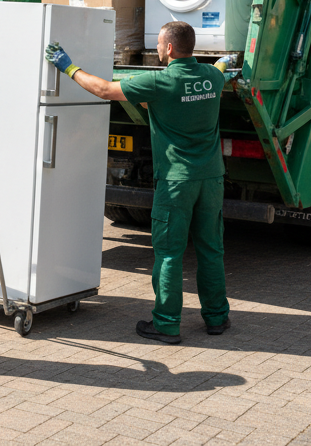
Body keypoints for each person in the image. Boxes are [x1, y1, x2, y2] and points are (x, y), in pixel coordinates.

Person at [45, 20, 235, 344]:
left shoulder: (160, 82)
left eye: (159, 44)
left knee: (170, 254)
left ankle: (166, 323)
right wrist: (225, 61)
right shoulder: (212, 77)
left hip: (177, 182)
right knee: (211, 249)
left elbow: (104, 90)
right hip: (212, 178)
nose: (157, 49)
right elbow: (218, 68)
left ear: (170, 48)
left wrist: (68, 66)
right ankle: (217, 318)